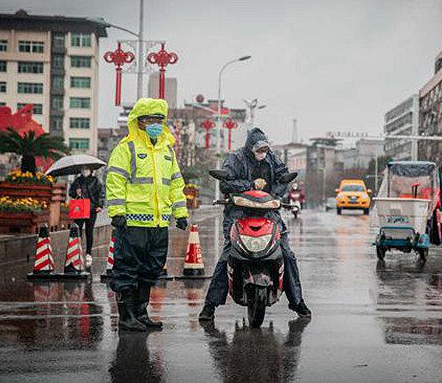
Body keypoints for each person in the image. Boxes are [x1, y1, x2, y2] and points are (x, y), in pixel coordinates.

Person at [199, 127, 311, 321]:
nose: (262, 154)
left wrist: (274, 193)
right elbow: (225, 183)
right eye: (259, 150)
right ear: (250, 148)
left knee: (286, 254)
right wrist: (249, 186)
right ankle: (210, 305)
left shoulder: (272, 159)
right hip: (238, 213)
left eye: (265, 150)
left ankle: (297, 302)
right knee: (228, 255)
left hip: (268, 213)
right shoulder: (236, 159)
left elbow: (282, 178)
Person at [106, 98, 189, 332]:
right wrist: (117, 211)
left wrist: (180, 212)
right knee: (127, 269)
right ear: (139, 121)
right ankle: (126, 316)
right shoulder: (127, 148)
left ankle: (141, 313)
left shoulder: (167, 151)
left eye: (160, 120)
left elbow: (175, 183)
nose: (156, 124)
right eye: (151, 119)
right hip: (132, 222)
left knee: (151, 269)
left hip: (159, 223)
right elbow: (115, 181)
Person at [68, 166, 104, 266]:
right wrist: (76, 192)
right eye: (83, 169)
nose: (84, 171)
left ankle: (88, 253)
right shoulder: (77, 181)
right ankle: (75, 251)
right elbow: (70, 193)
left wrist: (99, 205)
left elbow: (101, 193)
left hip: (91, 209)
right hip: (79, 209)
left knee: (89, 231)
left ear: (91, 170)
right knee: (77, 230)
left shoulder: (95, 181)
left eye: (86, 168)